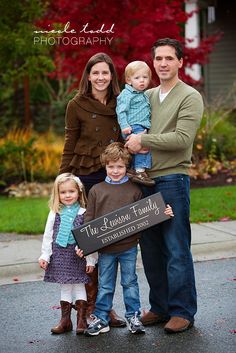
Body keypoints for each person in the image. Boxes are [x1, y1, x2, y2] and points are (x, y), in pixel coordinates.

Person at [125, 38, 204, 333]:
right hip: (144, 180)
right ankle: (160, 306)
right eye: (158, 58)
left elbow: (182, 139)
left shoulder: (189, 96)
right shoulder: (147, 95)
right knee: (152, 248)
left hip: (172, 179)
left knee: (176, 248)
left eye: (169, 58)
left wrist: (143, 140)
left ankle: (182, 311)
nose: (163, 63)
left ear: (180, 62)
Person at [76, 142, 173, 336]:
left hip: (128, 247)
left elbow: (146, 216)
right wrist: (84, 244)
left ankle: (133, 317)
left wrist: (163, 212)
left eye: (120, 166)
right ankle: (102, 318)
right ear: (105, 166)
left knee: (130, 283)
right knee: (105, 284)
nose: (115, 171)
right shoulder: (96, 190)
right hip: (106, 250)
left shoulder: (134, 190)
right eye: (111, 166)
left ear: (126, 167)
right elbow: (89, 219)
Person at [59, 53, 125, 327]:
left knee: (109, 240)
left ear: (112, 76)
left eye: (105, 73)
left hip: (111, 174)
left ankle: (105, 306)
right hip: (85, 175)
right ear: (88, 76)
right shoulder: (76, 104)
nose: (100, 78)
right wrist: (63, 176)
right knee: (87, 243)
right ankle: (86, 308)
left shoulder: (121, 102)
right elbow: (70, 140)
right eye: (95, 73)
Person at [38, 173, 97, 334]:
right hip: (60, 255)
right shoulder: (54, 212)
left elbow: (90, 239)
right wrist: (45, 255)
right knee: (65, 287)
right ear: (58, 194)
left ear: (79, 191)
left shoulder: (84, 213)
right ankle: (65, 321)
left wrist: (91, 260)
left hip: (77, 256)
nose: (67, 195)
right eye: (63, 192)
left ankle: (81, 320)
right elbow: (48, 235)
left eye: (71, 191)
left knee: (79, 286)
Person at [116, 61, 154, 186]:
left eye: (145, 77)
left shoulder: (143, 94)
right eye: (137, 78)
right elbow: (121, 111)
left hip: (140, 125)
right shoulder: (127, 94)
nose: (142, 81)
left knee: (140, 149)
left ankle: (132, 170)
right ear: (129, 80)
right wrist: (125, 126)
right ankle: (140, 171)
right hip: (133, 126)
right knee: (144, 147)